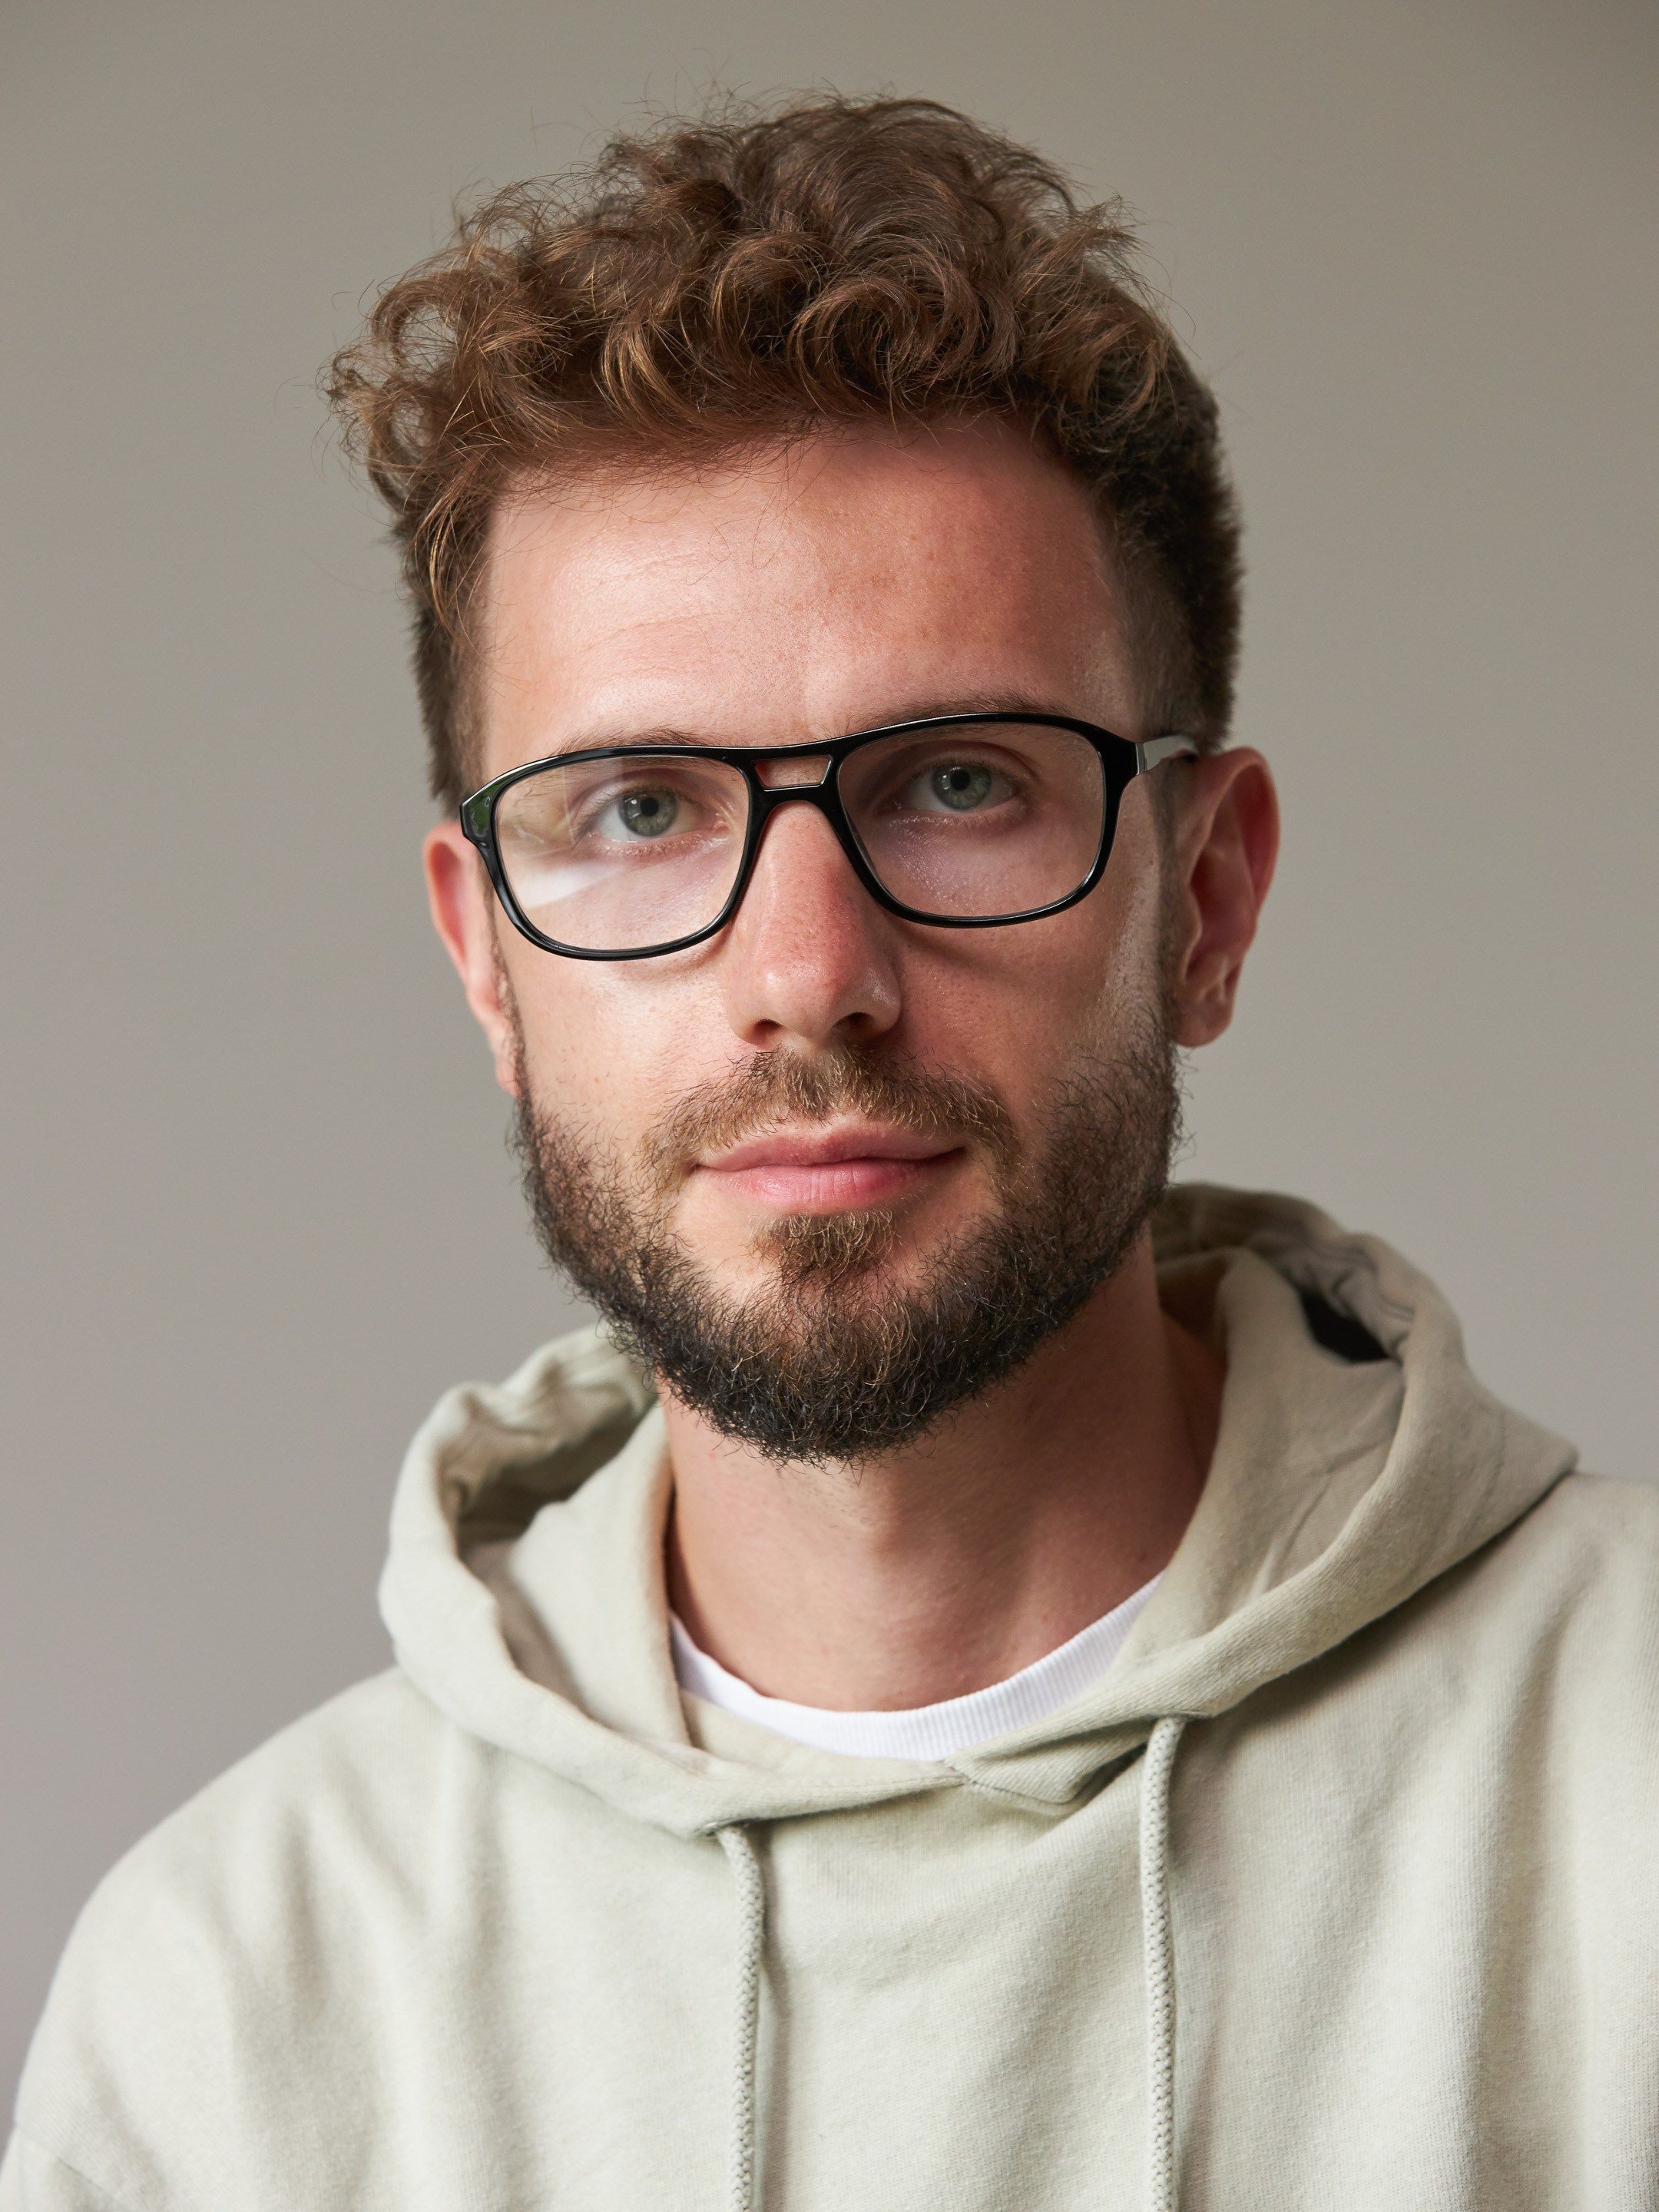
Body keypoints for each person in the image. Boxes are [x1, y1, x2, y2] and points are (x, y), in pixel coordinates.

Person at [5, 94, 1656, 2212]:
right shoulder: (229, 2017)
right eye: (635, 811)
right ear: (486, 962)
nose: (810, 971)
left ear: (1208, 896)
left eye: (961, 781)